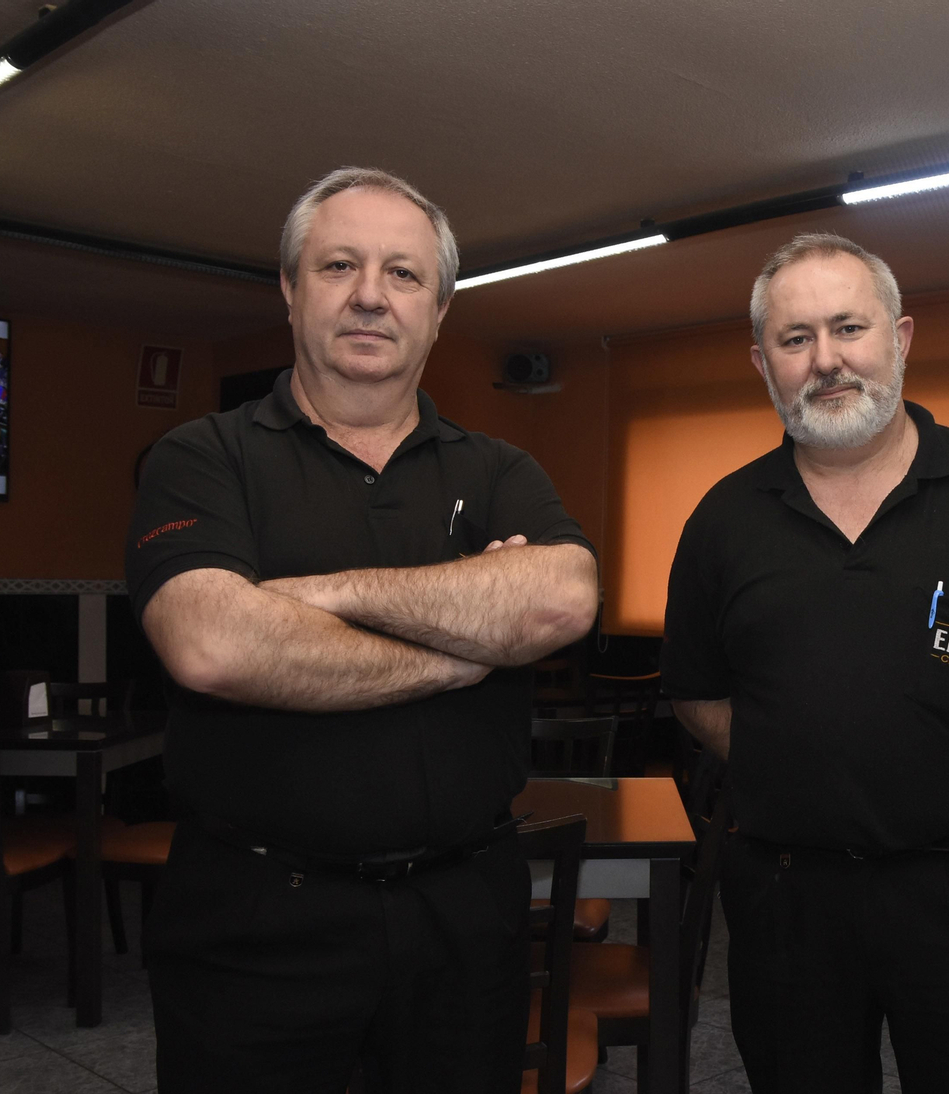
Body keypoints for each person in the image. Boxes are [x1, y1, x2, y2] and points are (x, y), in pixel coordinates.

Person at [126, 166, 599, 1094]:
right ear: (291, 290)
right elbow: (213, 645)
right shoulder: (200, 457)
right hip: (256, 922)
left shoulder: (502, 468)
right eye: (339, 265)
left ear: (439, 309)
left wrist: (318, 597)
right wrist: (463, 648)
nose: (371, 296)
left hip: (465, 922)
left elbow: (560, 602)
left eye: (404, 274)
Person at [661, 233, 949, 1094]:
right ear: (763, 363)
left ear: (900, 339)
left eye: (848, 328)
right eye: (796, 340)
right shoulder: (722, 521)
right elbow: (696, 694)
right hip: (785, 901)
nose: (826, 360)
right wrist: (804, 769)